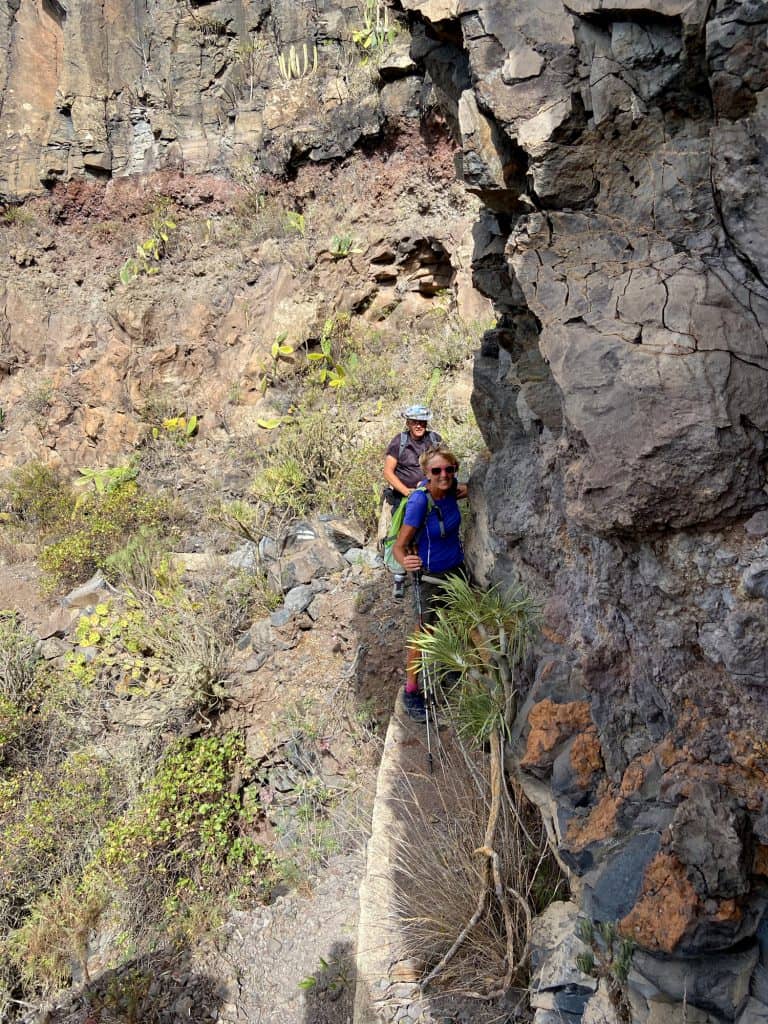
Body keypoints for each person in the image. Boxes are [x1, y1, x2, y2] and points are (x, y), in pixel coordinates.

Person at [392, 444, 467, 722]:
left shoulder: (451, 490)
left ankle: (449, 667)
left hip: (456, 571)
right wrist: (406, 561)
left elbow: (466, 490)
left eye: (449, 469)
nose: (444, 475)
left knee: (458, 622)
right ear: (426, 473)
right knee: (424, 632)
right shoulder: (419, 502)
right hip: (430, 577)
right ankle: (411, 690)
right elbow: (399, 547)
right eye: (437, 470)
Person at [382, 405, 441, 599]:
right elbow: (388, 472)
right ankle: (400, 576)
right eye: (415, 421)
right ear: (408, 423)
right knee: (403, 536)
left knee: (427, 533)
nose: (419, 425)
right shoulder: (399, 442)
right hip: (404, 498)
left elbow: (446, 463)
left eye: (422, 421)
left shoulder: (434, 440)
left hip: (429, 496)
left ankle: (425, 570)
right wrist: (406, 491)